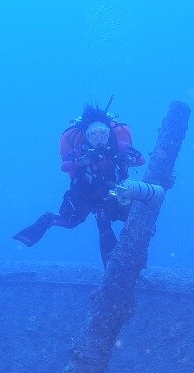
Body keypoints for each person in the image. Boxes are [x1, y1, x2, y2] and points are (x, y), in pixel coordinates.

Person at [13, 104, 145, 264]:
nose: (99, 138)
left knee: (113, 218)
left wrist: (127, 158)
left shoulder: (119, 146)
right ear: (86, 135)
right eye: (93, 134)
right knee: (70, 221)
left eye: (103, 133)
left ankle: (118, 264)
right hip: (84, 193)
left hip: (113, 193)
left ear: (109, 133)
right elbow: (64, 166)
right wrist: (83, 160)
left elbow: (141, 159)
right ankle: (48, 219)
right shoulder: (79, 150)